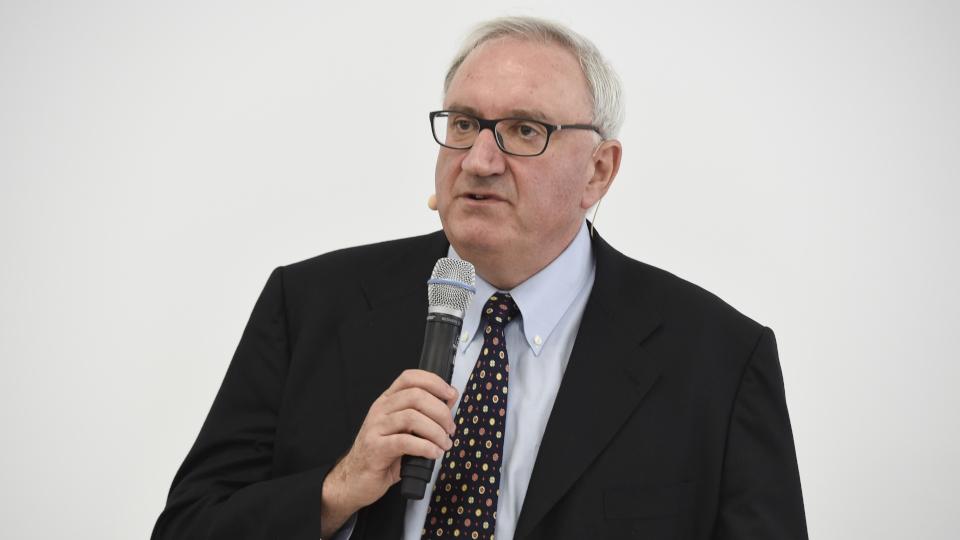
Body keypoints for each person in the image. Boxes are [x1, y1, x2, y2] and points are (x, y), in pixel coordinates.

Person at [152, 16, 807, 540]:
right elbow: (187, 528)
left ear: (599, 171)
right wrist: (336, 492)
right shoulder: (310, 305)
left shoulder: (718, 358)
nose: (479, 160)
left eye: (523, 130)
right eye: (464, 124)